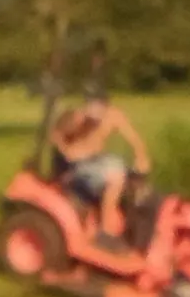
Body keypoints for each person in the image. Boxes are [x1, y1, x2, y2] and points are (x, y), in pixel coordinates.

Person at [50, 91, 150, 253]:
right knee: (115, 176)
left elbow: (134, 139)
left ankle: (131, 230)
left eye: (99, 108)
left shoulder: (113, 116)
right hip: (78, 165)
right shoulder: (77, 117)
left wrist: (141, 156)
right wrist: (67, 153)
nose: (95, 113)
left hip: (97, 161)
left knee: (124, 170)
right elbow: (55, 135)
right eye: (91, 107)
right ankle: (105, 234)